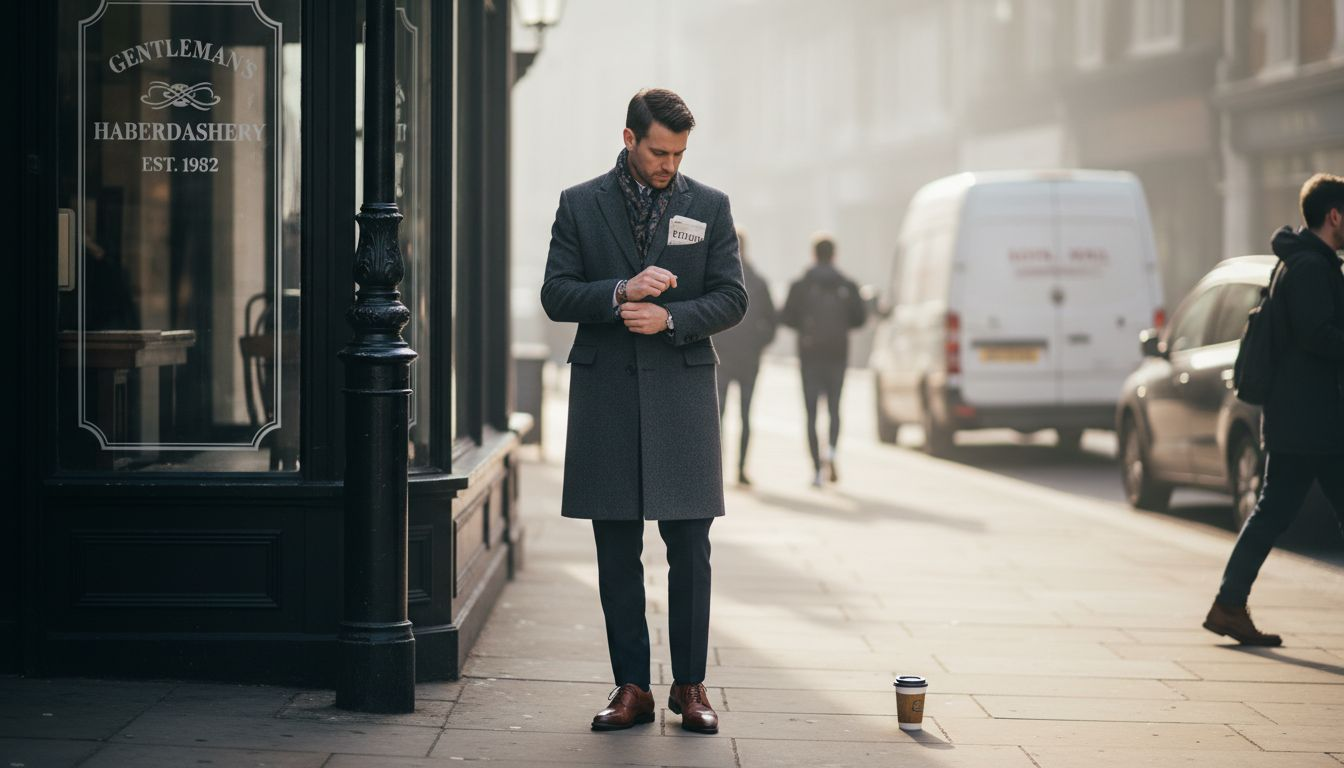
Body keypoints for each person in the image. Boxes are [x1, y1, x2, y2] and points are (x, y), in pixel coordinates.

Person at [540, 88, 747, 734]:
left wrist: (669, 318)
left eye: (680, 153)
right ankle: (632, 686)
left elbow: (733, 299)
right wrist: (620, 292)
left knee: (691, 546)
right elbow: (555, 294)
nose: (669, 164)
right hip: (606, 398)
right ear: (629, 139)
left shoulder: (708, 206)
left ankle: (690, 687)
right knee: (615, 549)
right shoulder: (579, 204)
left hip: (681, 396)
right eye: (659, 151)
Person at [1205, 173, 1344, 646]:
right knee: (1270, 513)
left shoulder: (1305, 261)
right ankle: (1227, 603)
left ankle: (1229, 603)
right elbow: (1317, 335)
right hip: (1313, 421)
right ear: (1334, 216)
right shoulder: (1309, 267)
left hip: (1304, 418)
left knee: (1270, 513)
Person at [781, 234, 867, 487]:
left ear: (814, 254)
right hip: (837, 354)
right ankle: (831, 452)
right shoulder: (847, 284)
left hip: (809, 356)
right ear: (834, 255)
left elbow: (787, 317)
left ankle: (816, 468)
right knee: (834, 409)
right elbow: (859, 319)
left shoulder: (801, 284)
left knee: (810, 412)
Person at [714, 230, 778, 486]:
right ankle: (740, 470)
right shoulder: (758, 281)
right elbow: (772, 322)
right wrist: (757, 344)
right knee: (744, 416)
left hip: (722, 357)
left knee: (719, 416)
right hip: (748, 360)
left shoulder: (717, 278)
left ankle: (718, 469)